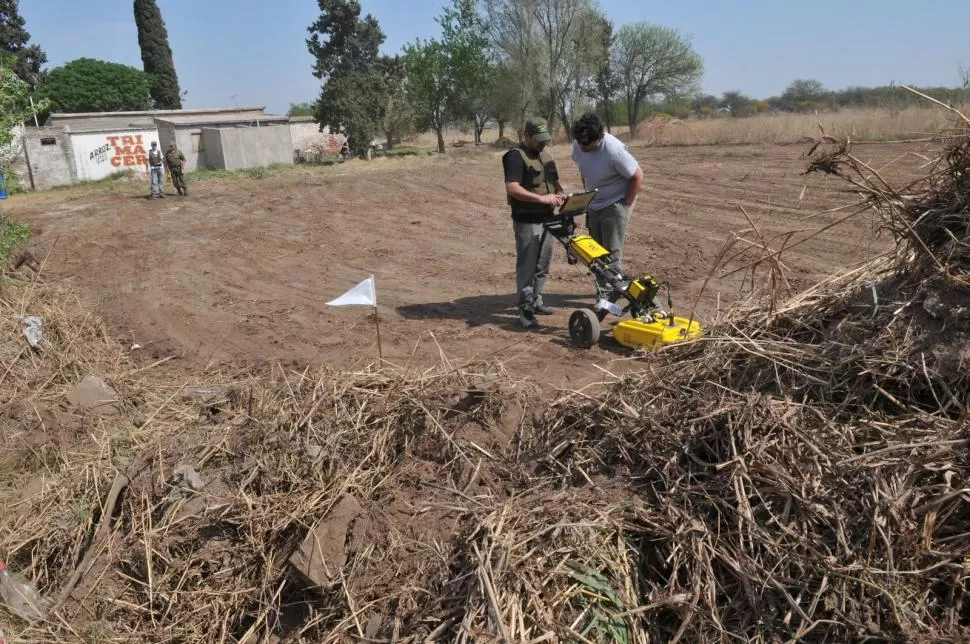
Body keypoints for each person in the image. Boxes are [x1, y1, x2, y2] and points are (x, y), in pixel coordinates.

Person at [502, 117, 565, 328]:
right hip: (527, 220)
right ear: (526, 136)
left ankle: (537, 300)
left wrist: (561, 194)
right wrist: (541, 199)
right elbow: (512, 188)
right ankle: (525, 309)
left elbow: (555, 184)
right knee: (527, 266)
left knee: (543, 265)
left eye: (544, 139)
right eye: (538, 139)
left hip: (548, 219)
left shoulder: (546, 157)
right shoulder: (515, 156)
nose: (542, 143)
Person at [570, 113, 643, 296]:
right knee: (595, 249)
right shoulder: (579, 145)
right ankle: (603, 287)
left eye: (586, 144)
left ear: (599, 139)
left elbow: (637, 176)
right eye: (580, 142)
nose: (582, 147)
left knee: (611, 251)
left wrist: (624, 205)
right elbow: (584, 171)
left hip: (616, 201)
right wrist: (588, 193)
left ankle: (609, 293)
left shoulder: (613, 151)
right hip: (595, 201)